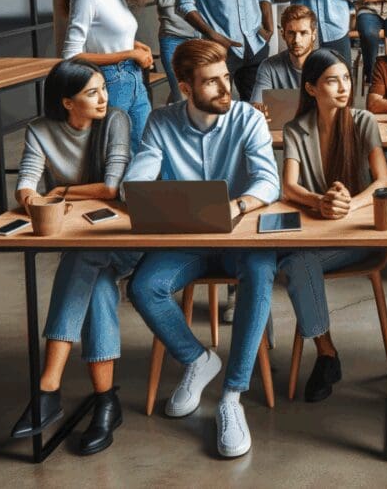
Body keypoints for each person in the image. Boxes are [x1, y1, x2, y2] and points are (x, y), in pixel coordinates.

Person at [125, 39, 280, 459]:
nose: (225, 88)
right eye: (211, 82)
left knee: (261, 269)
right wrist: (141, 186)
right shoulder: (160, 122)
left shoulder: (247, 118)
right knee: (143, 287)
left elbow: (269, 182)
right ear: (185, 87)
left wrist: (239, 204)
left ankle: (231, 395)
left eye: (226, 77)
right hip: (189, 242)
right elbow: (136, 186)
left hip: (239, 240)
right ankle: (197, 359)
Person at [8, 60, 134, 455]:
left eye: (103, 88)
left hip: (127, 238)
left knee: (83, 259)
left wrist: (59, 192)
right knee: (94, 284)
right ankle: (105, 404)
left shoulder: (116, 121)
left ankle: (48, 386)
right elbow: (26, 184)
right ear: (66, 102)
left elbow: (113, 188)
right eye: (92, 92)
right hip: (84, 240)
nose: (104, 97)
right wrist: (30, 196)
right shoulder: (40, 131)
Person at [277, 49, 387, 402]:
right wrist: (320, 202)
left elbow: (383, 180)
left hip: (359, 233)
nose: (343, 87)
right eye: (332, 80)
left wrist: (347, 204)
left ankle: (326, 357)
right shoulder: (296, 128)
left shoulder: (362, 121)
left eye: (346, 78)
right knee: (297, 260)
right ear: (311, 88)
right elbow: (289, 186)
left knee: (298, 262)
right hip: (318, 230)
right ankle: (327, 351)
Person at [59, 0, 153, 152]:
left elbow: (110, 36)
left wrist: (138, 47)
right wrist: (130, 53)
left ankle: (144, 190)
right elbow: (72, 56)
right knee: (116, 152)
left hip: (134, 79)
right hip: (109, 82)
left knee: (148, 148)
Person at [250, 3, 318, 105]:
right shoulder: (268, 67)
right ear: (283, 34)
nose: (297, 40)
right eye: (291, 33)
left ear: (313, 35)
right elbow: (256, 108)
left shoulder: (327, 65)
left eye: (303, 33)